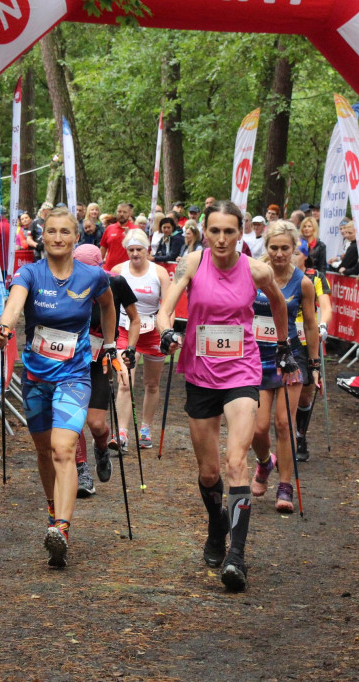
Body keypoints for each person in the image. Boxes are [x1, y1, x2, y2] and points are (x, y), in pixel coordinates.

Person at [156, 200, 294, 592]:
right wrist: (167, 331)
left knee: (236, 463)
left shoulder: (256, 269)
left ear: (240, 234)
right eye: (214, 231)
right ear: (205, 231)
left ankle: (237, 557)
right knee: (209, 472)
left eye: (228, 232)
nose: (220, 239)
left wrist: (283, 345)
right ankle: (217, 527)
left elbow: (279, 303)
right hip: (199, 372)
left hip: (242, 370)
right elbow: (168, 308)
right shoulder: (192, 263)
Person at [0, 208, 119, 568]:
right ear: (42, 236)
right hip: (35, 379)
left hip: (74, 376)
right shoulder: (30, 272)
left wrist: (109, 344)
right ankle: (53, 513)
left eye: (65, 232)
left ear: (76, 237)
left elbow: (109, 307)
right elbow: (14, 304)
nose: (58, 237)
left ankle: (61, 528)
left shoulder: (93, 276)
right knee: (45, 452)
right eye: (52, 232)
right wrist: (4, 328)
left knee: (64, 449)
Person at [249, 221, 320, 514]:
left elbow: (312, 325)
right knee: (258, 426)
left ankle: (286, 485)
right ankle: (265, 463)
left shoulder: (302, 282)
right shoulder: (254, 276)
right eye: (274, 248)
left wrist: (314, 365)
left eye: (285, 249)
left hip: (289, 356)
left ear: (295, 249)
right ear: (267, 248)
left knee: (284, 423)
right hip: (256, 357)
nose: (279, 254)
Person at [72, 244, 138, 497]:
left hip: (100, 360)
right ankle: (81, 471)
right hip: (71, 362)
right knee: (74, 421)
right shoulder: (65, 284)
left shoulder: (116, 283)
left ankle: (101, 449)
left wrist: (129, 348)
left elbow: (134, 318)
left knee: (97, 424)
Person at [111, 229, 172, 450]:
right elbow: (109, 304)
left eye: (139, 249)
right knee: (125, 381)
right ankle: (122, 433)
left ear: (147, 250)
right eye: (131, 250)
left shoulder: (160, 273)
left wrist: (168, 333)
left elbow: (168, 305)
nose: (135, 254)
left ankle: (145, 429)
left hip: (154, 329)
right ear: (126, 250)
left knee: (152, 384)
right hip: (126, 330)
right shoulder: (118, 271)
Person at [292, 248, 332, 461]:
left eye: (297, 252)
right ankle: (283, 437)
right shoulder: (274, 272)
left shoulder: (315, 277)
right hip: (282, 336)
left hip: (307, 338)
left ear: (305, 256)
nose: (291, 256)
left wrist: (323, 324)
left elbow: (325, 306)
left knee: (306, 392)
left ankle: (300, 434)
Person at [100, 202, 135, 271]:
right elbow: (103, 249)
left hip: (128, 270)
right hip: (109, 269)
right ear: (116, 212)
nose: (122, 214)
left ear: (129, 214)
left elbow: (140, 250)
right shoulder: (109, 228)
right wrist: (98, 265)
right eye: (119, 211)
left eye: (125, 212)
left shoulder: (135, 229)